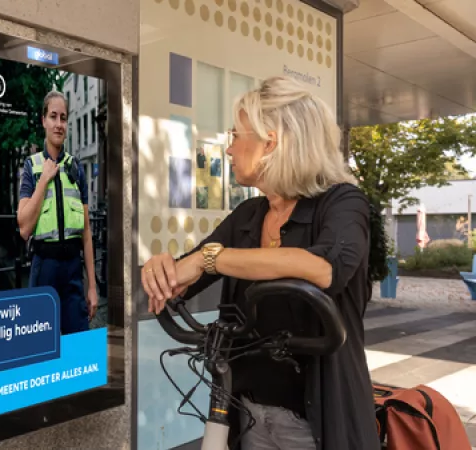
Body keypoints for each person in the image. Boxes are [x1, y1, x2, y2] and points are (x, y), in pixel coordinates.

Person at [141, 76, 380, 450]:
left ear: (272, 142)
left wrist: (212, 259)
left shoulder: (343, 203)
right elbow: (189, 270)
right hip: (249, 409)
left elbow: (323, 269)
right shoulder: (249, 214)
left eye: (236, 135)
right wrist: (162, 270)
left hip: (317, 417)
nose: (229, 148)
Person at [17, 90, 98, 335]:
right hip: (45, 271)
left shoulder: (76, 169)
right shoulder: (32, 166)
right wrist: (44, 180)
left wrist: (92, 286)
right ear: (44, 121)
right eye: (53, 116)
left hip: (73, 271)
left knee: (78, 346)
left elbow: (86, 233)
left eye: (63, 118)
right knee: (43, 348)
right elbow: (23, 228)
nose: (59, 124)